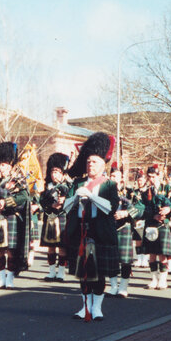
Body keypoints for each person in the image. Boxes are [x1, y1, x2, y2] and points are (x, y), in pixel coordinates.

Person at [63, 132, 120, 320]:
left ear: (103, 164)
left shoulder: (109, 185)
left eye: (94, 161)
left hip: (100, 231)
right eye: (88, 161)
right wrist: (76, 196)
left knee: (99, 273)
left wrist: (92, 196)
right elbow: (66, 207)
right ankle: (85, 307)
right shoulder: (78, 183)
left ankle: (97, 308)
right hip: (81, 229)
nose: (90, 164)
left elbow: (111, 208)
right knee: (83, 272)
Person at [0, 141, 32, 289]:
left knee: (11, 251)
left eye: (4, 165)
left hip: (12, 218)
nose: (1, 167)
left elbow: (24, 197)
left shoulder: (18, 180)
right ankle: (1, 279)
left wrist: (6, 203)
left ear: (10, 165)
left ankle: (10, 279)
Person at [140, 165, 171, 289]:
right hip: (151, 224)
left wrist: (169, 209)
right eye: (149, 177)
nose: (151, 179)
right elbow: (142, 208)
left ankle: (163, 280)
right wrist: (152, 215)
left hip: (163, 225)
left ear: (159, 176)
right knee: (152, 254)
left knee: (162, 254)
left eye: (153, 177)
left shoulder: (169, 188)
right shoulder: (145, 191)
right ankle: (154, 279)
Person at [109, 162, 143, 297]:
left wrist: (127, 213)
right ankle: (112, 286)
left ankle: (123, 287)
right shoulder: (103, 192)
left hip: (124, 227)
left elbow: (140, 209)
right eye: (111, 176)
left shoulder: (130, 193)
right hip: (109, 227)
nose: (112, 178)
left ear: (121, 179)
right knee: (111, 259)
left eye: (115, 176)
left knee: (125, 260)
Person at [38, 153, 72, 281]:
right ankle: (52, 272)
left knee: (62, 246)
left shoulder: (69, 186)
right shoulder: (47, 187)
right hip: (50, 217)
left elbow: (73, 202)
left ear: (63, 173)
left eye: (57, 172)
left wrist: (63, 204)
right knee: (50, 247)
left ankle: (61, 273)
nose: (54, 175)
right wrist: (51, 205)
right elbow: (42, 201)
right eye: (52, 171)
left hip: (62, 218)